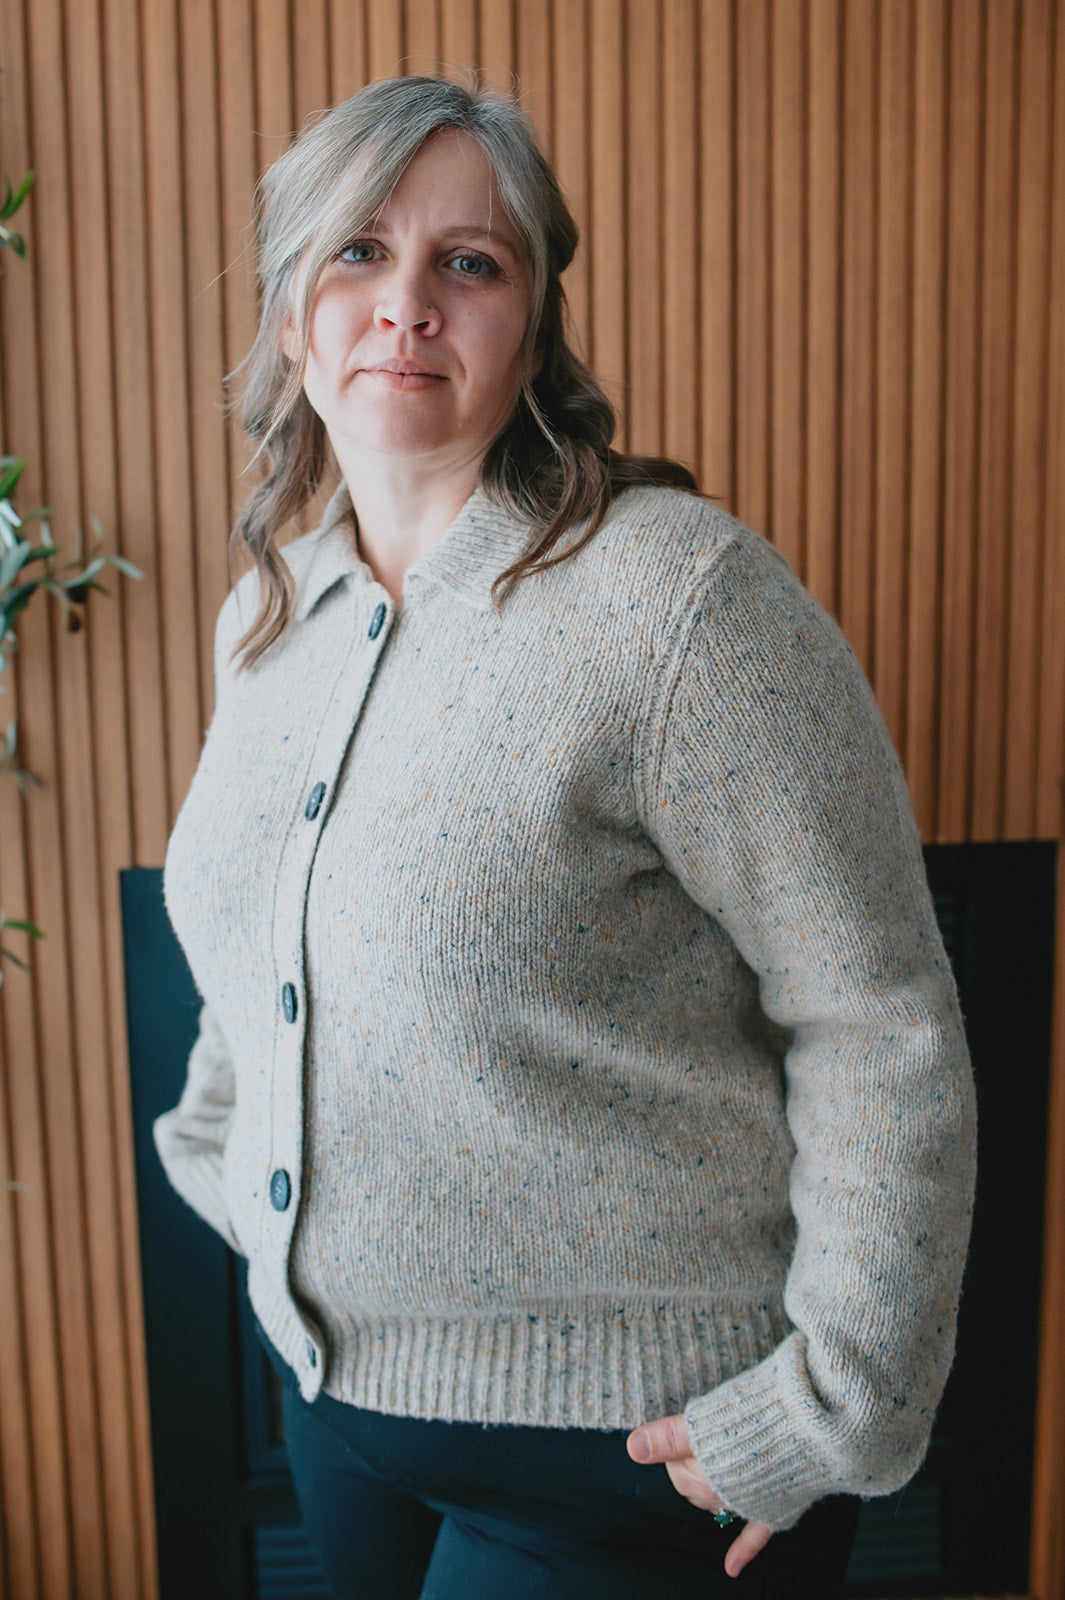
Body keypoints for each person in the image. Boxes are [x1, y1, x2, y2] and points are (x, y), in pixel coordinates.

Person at [155, 75, 976, 1600]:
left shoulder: (676, 601)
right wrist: (229, 1158)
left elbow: (879, 1016)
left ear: (531, 331)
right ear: (288, 315)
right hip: (338, 1407)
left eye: (467, 262)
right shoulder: (273, 614)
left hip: (633, 1451)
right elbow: (263, 940)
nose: (406, 303)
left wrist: (831, 1410)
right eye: (356, 252)